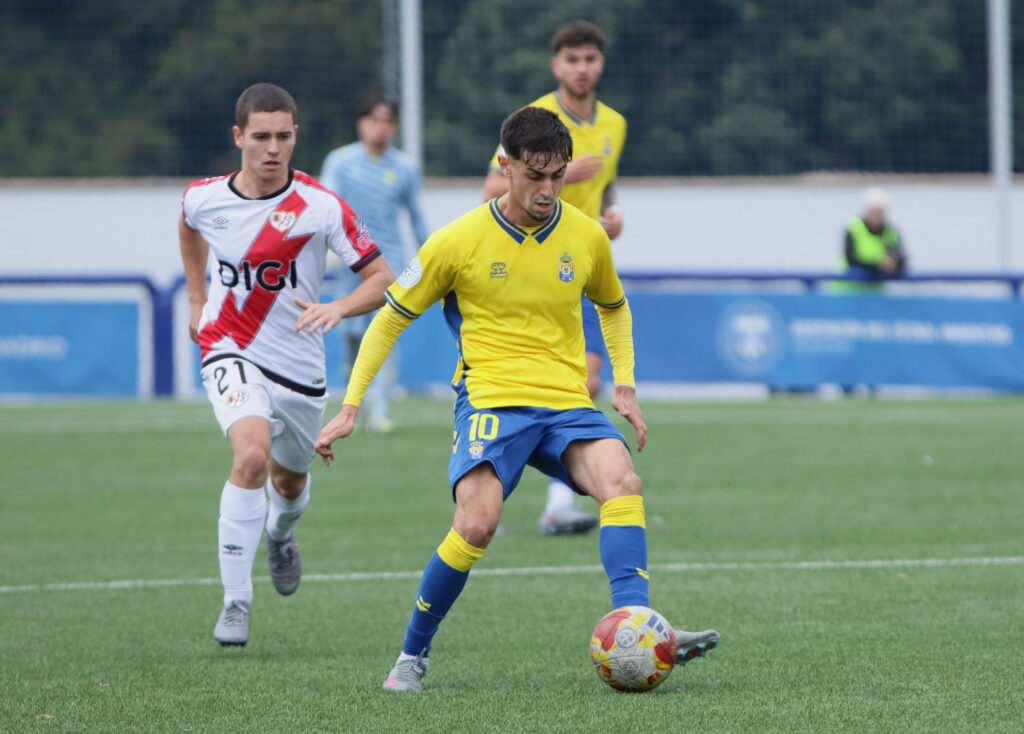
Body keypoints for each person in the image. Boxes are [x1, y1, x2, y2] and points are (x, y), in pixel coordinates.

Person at [316, 106, 718, 692]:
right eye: (536, 175)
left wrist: (625, 386)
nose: (548, 189)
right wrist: (351, 406)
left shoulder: (584, 235)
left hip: (564, 404)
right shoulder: (457, 240)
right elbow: (389, 319)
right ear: (505, 167)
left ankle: (638, 623)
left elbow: (613, 305)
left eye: (558, 175)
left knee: (622, 481)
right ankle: (413, 654)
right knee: (476, 524)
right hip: (491, 402)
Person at [179, 82, 394, 647]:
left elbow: (382, 279)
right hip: (229, 347)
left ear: (295, 136)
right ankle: (236, 602)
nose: (272, 148)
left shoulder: (320, 207)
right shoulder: (204, 198)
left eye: (282, 137)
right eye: (260, 137)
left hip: (299, 365)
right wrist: (198, 298)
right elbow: (188, 224)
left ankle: (280, 533)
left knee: (289, 481)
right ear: (238, 138)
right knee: (249, 454)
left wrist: (339, 306)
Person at [482, 19, 627, 536]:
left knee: (582, 382)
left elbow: (606, 191)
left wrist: (611, 216)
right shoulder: (534, 120)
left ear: (600, 64)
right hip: (523, 270)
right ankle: (482, 489)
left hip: (579, 270)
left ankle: (559, 502)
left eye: (590, 59)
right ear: (556, 66)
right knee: (504, 389)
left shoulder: (615, 124)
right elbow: (490, 191)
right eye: (572, 60)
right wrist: (563, 181)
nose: (581, 69)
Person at [320, 96, 431, 432]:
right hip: (351, 259)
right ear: (361, 123)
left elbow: (414, 215)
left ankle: (380, 408)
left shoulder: (405, 167)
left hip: (391, 261)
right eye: (374, 119)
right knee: (352, 333)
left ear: (394, 127)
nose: (380, 127)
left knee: (384, 329)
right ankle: (357, 400)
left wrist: (430, 255)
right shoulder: (340, 162)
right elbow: (327, 206)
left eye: (387, 121)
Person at [835, 187, 908, 292]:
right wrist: (878, 265)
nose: (876, 216)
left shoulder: (890, 232)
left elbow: (901, 257)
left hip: (874, 291)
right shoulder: (854, 228)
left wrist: (894, 262)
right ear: (867, 211)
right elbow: (852, 259)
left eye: (880, 212)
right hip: (847, 289)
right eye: (874, 212)